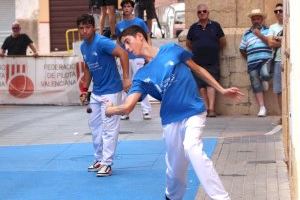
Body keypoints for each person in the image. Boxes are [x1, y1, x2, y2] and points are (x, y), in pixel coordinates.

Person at [106, 25, 244, 200]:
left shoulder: (171, 50)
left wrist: (222, 89)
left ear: (140, 36)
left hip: (193, 111)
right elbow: (128, 106)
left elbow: (198, 69)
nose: (126, 48)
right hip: (171, 120)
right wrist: (110, 110)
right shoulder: (141, 75)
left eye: (127, 41)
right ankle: (171, 196)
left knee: (192, 148)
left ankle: (221, 197)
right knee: (175, 171)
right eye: (124, 45)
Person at [76, 14, 131, 177]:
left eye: (87, 27)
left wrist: (126, 78)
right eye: (81, 28)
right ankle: (99, 159)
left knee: (109, 129)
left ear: (94, 27)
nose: (84, 31)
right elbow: (88, 67)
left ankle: (107, 163)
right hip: (97, 92)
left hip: (112, 91)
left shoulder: (102, 42)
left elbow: (123, 54)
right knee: (95, 127)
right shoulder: (83, 46)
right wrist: (84, 89)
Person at [186, 4, 226, 117]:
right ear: (197, 14)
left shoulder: (216, 26)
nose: (202, 13)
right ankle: (206, 108)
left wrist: (213, 48)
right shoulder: (193, 27)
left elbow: (222, 42)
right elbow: (188, 43)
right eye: (199, 12)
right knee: (201, 86)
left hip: (212, 60)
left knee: (211, 83)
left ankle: (212, 109)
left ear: (208, 13)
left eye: (204, 11)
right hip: (197, 61)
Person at [115, 0, 152, 120]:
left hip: (138, 58)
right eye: (124, 6)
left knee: (141, 82)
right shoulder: (118, 25)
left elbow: (147, 37)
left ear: (132, 8)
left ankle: (146, 110)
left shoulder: (139, 22)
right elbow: (118, 42)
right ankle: (125, 110)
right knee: (126, 84)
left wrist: (148, 54)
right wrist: (117, 56)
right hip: (124, 59)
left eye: (128, 6)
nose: (126, 8)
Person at [239, 9, 272, 117]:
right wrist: (249, 57)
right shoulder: (247, 33)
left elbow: (271, 42)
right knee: (256, 84)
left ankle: (265, 79)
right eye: (254, 19)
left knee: (266, 74)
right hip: (252, 62)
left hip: (265, 59)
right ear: (251, 20)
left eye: (258, 18)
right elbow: (242, 49)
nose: (256, 21)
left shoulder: (268, 30)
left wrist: (259, 35)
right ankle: (262, 108)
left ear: (262, 19)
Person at [267, 3, 283, 124]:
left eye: (280, 10)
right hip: (277, 60)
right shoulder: (273, 27)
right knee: (278, 90)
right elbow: (271, 44)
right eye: (276, 11)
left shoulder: (292, 25)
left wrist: (279, 40)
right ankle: (283, 115)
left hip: (289, 60)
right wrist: (283, 41)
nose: (278, 13)